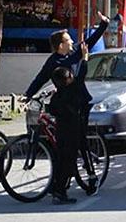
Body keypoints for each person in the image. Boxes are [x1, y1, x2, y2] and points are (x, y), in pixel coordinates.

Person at [24, 12, 110, 196]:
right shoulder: (53, 61)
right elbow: (40, 78)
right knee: (66, 143)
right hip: (65, 106)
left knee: (80, 141)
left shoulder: (74, 55)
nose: (72, 42)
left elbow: (90, 41)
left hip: (80, 104)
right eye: (68, 40)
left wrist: (103, 24)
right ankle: (61, 182)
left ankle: (90, 175)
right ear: (60, 45)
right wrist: (28, 95)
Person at [49, 60, 88, 205]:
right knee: (69, 162)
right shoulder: (73, 90)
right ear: (68, 79)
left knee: (61, 160)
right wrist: (84, 59)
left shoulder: (57, 95)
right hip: (73, 130)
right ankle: (60, 192)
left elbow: (51, 110)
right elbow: (82, 75)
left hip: (61, 131)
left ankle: (57, 188)